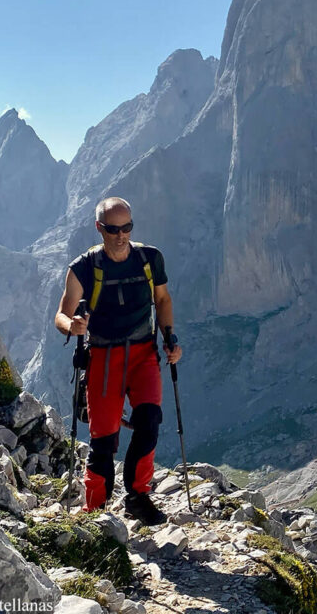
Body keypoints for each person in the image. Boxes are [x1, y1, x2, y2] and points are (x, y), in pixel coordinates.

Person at [55, 197, 182, 525]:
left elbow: (163, 299)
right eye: (113, 229)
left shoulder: (150, 259)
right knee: (103, 441)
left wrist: (171, 339)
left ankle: (138, 497)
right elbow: (61, 314)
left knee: (149, 420)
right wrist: (74, 326)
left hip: (143, 354)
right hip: (104, 357)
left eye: (127, 227)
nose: (121, 235)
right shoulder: (83, 267)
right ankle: (94, 513)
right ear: (99, 228)